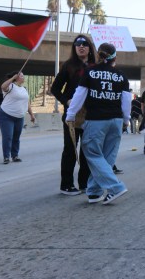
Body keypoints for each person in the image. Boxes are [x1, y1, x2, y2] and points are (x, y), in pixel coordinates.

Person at [65, 43, 131, 205]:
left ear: (99, 56)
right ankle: (94, 191)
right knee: (107, 157)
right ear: (115, 57)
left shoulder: (90, 72)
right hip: (115, 120)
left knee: (93, 154)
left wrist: (71, 114)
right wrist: (126, 120)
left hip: (96, 119)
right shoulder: (121, 75)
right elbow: (126, 100)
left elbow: (79, 95)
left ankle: (115, 187)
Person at [51, 35, 95, 195]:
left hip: (91, 116)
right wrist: (66, 101)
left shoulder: (95, 66)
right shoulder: (68, 66)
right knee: (70, 150)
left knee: (87, 151)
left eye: (84, 44)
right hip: (72, 116)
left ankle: (84, 183)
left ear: (90, 47)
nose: (81, 46)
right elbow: (55, 89)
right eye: (77, 44)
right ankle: (66, 185)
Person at [0, 71, 35, 164]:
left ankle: (15, 156)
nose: (24, 77)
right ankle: (6, 157)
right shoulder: (10, 86)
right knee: (8, 136)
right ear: (16, 77)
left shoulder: (24, 89)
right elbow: (3, 86)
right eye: (21, 75)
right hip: (6, 115)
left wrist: (31, 114)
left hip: (19, 117)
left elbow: (27, 102)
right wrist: (12, 78)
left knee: (16, 137)